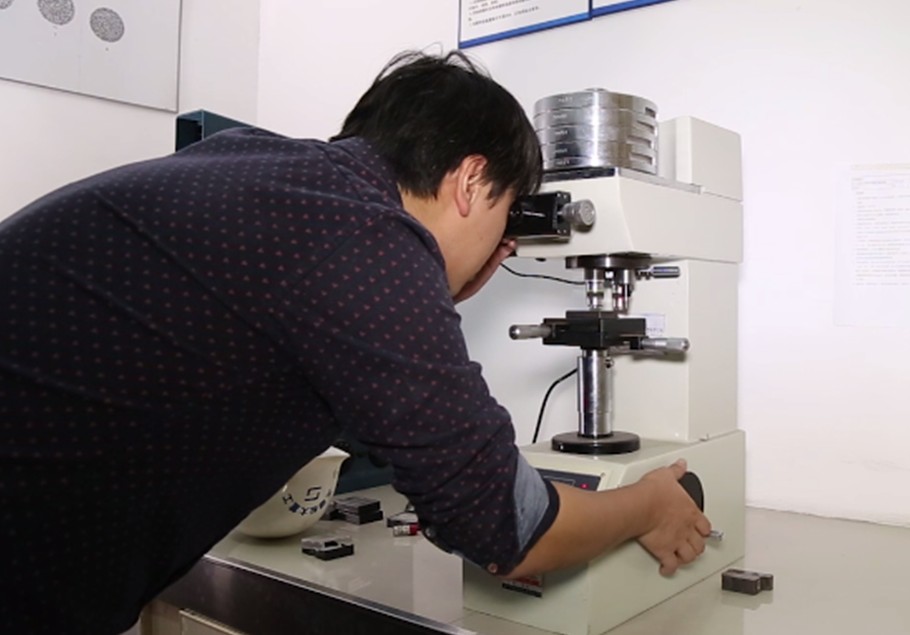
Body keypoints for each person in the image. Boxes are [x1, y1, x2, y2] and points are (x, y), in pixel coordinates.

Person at [0, 51, 710, 635]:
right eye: (504, 218)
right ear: (470, 180)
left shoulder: (264, 170)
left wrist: (442, 283)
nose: (503, 246)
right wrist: (650, 503)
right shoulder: (366, 236)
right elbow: (503, 526)